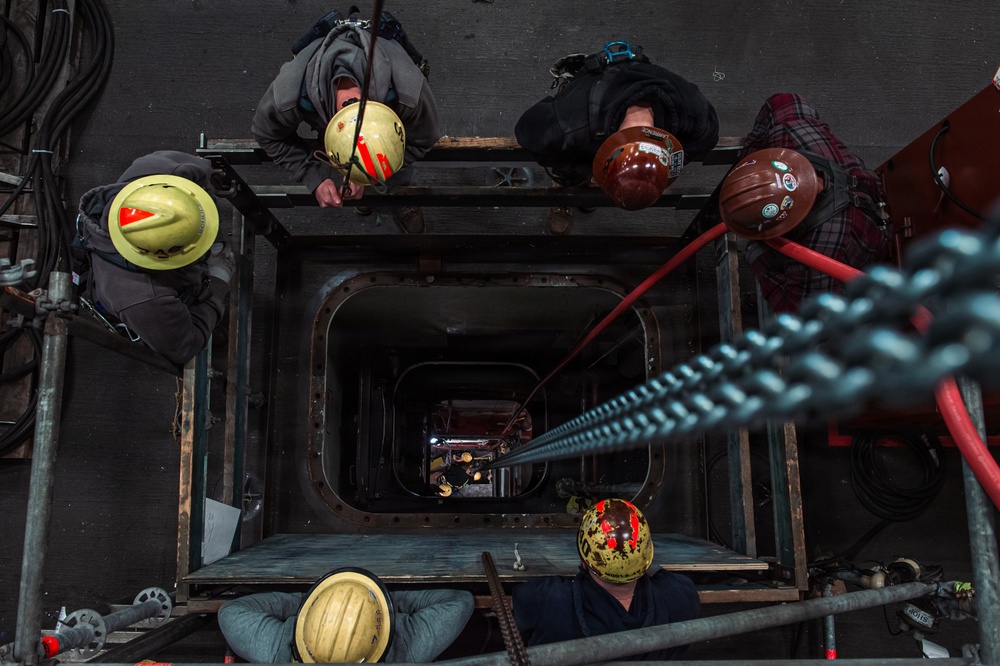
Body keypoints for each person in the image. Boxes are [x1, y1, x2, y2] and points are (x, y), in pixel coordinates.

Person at [252, 8, 439, 232]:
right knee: (362, 170)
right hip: (326, 119)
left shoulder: (410, 93)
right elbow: (266, 134)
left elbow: (423, 139)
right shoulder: (288, 96)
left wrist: (370, 176)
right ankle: (369, 198)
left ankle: (402, 199)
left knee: (396, 167)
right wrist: (313, 177)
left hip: (392, 111)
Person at [718, 93, 890, 313]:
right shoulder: (793, 134)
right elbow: (779, 102)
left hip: (865, 244)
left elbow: (802, 312)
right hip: (862, 195)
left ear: (785, 226)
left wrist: (755, 253)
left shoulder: (820, 252)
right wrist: (750, 160)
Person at [515, 40, 719, 210]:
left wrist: (660, 167)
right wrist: (588, 168)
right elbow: (527, 131)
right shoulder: (571, 124)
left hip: (639, 83)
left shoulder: (695, 118)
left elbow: (701, 144)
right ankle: (572, 182)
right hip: (589, 94)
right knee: (568, 159)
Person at [75, 151, 234, 365]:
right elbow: (184, 347)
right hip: (155, 306)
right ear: (160, 257)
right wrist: (218, 284)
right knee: (186, 331)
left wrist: (212, 238)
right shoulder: (142, 298)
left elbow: (203, 172)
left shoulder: (159, 170)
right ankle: (202, 320)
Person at [512, 498, 700, 661]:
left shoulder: (550, 598)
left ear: (584, 561)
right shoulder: (679, 595)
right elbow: (680, 585)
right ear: (646, 559)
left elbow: (521, 598)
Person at [217, 567, 474, 663]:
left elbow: (231, 610)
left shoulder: (276, 647)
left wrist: (304, 606)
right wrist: (388, 604)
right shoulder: (407, 648)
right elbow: (459, 601)